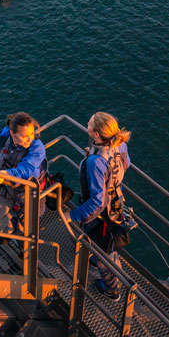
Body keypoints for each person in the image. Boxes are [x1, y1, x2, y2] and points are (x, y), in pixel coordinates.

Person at [67, 112, 131, 301]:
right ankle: (95, 258)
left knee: (106, 253)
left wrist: (72, 214)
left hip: (102, 215)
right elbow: (126, 164)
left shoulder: (96, 163)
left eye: (89, 124)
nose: (86, 125)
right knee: (103, 247)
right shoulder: (121, 145)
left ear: (96, 134)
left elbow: (97, 201)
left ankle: (111, 289)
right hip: (116, 203)